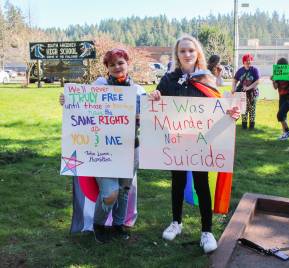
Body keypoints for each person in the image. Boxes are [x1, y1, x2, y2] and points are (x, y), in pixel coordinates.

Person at [149, 35, 240, 254]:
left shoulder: (207, 78)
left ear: (197, 52)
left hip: (201, 142)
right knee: (177, 181)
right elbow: (158, 103)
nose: (187, 54)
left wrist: (231, 113)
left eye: (191, 50)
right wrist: (155, 96)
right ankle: (176, 222)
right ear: (177, 55)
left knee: (201, 183)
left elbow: (218, 107)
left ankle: (206, 231)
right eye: (183, 51)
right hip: (177, 141)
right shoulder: (169, 79)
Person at [60, 48, 146, 243]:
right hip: (102, 150)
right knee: (110, 193)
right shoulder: (99, 85)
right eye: (112, 64)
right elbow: (83, 105)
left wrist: (142, 118)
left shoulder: (139, 91)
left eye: (121, 62)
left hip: (129, 148)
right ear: (107, 67)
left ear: (128, 64)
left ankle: (118, 226)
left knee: (124, 190)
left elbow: (149, 121)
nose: (117, 67)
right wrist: (68, 101)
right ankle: (99, 224)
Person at [270, 58, 289, 140]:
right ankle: (285, 134)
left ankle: (288, 132)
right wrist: (273, 81)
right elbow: (275, 87)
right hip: (282, 97)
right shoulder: (278, 74)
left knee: (280, 115)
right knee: (283, 116)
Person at [231, 53, 260, 129]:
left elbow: (257, 81)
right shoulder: (240, 71)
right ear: (243, 61)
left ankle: (251, 126)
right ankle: (244, 126)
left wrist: (249, 87)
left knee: (252, 109)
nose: (248, 62)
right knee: (244, 109)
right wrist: (233, 88)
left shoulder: (254, 70)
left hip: (253, 93)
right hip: (243, 94)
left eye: (249, 60)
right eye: (246, 60)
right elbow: (235, 80)